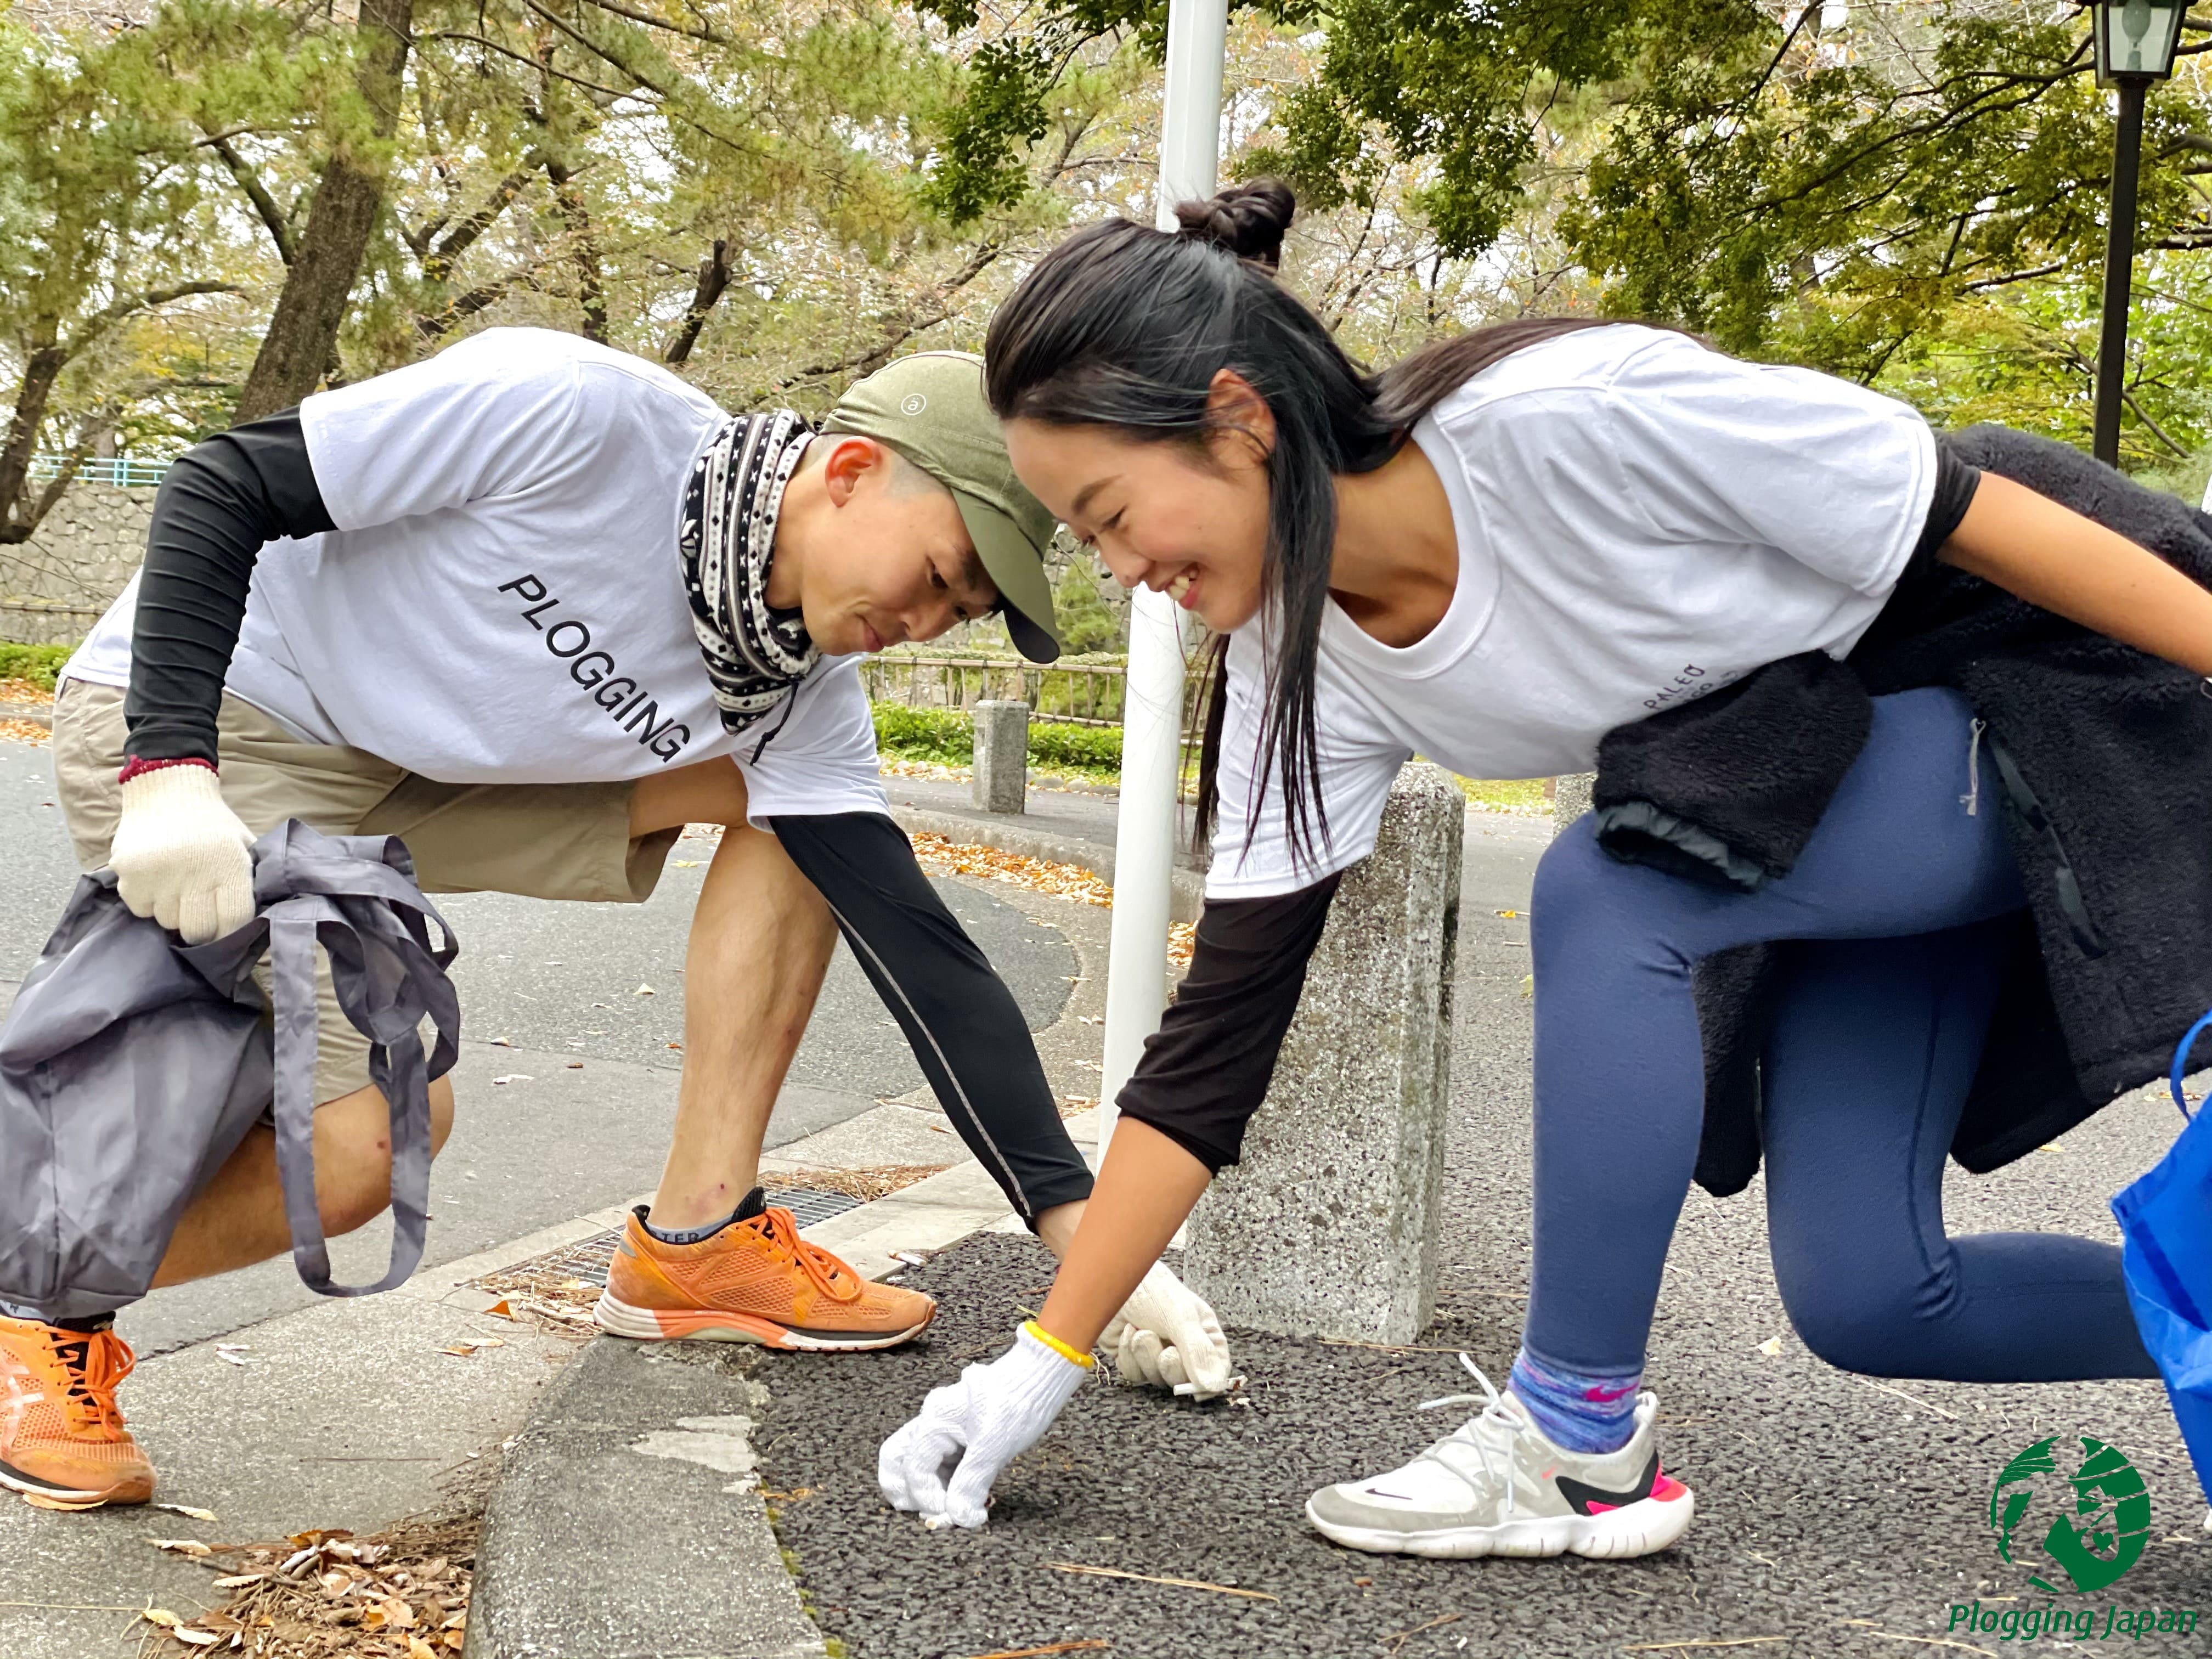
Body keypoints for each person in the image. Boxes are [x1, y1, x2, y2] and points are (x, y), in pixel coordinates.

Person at [874, 180, 2212, 1553]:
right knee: (1875, 1294)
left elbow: (1984, 511)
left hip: (2061, 676)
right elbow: (1215, 1046)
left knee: (1609, 886)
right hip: (1813, 784)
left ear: (1239, 420)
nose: (1116, 570)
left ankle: (1578, 1439)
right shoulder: (1299, 669)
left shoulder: (1567, 418)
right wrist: (1039, 1359)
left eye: (1107, 513)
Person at [0, 329, 1233, 1511]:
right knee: (370, 1145)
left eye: (961, 616)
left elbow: (924, 950)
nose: (927, 622)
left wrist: (1088, 1241)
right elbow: (225, 482)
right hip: (227, 722)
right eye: (941, 577)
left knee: (800, 818)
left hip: (423, 776)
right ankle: (34, 1301)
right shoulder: (576, 417)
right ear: (852, 474)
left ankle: (698, 1237)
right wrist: (170, 765)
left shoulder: (804, 699)